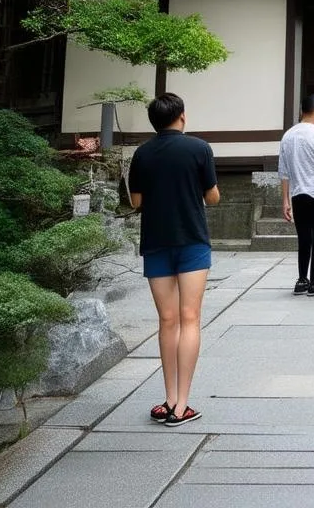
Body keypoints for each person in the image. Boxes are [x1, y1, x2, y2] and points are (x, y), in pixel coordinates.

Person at [128, 93, 219, 427]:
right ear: (181, 116)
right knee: (190, 317)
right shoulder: (199, 149)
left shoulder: (142, 153)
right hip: (192, 240)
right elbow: (212, 194)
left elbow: (136, 201)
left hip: (155, 241)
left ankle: (167, 400)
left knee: (167, 320)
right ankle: (182, 405)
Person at [278, 94, 314, 296]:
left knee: (303, 237)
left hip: (297, 193)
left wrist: (285, 200)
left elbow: (283, 170)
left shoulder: (288, 135)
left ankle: (302, 278)